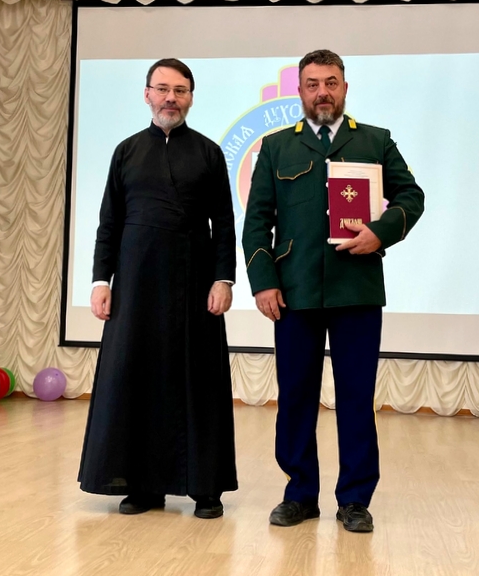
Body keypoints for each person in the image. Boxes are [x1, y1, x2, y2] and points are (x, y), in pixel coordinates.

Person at [242, 49, 425, 533]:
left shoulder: (375, 141)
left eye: (331, 82)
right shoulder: (276, 147)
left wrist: (380, 233)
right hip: (294, 291)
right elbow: (257, 222)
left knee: (356, 398)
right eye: (312, 84)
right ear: (300, 91)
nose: (322, 92)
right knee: (295, 397)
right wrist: (263, 283)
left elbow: (412, 196)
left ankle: (355, 500)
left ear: (345, 87)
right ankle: (300, 494)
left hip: (357, 290)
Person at [78, 58, 238, 519]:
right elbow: (109, 223)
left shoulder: (208, 153)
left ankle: (205, 487)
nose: (171, 98)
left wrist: (223, 279)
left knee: (199, 381)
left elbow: (224, 224)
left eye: (180, 90)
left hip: (195, 283)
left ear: (190, 98)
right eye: (163, 89)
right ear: (147, 94)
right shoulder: (126, 151)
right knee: (136, 378)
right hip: (136, 285)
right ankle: (143, 485)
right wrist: (101, 281)